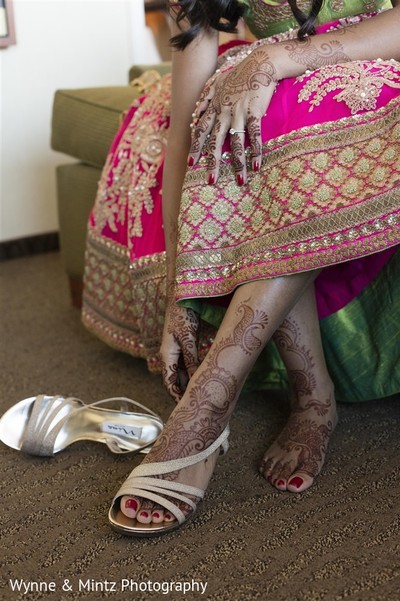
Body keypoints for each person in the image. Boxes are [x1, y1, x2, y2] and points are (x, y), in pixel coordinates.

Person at [82, 0, 400, 535]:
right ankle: (311, 395)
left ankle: (206, 408)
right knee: (243, 115)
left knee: (294, 95)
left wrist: (280, 58)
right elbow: (181, 131)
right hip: (277, 94)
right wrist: (180, 292)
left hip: (379, 61)